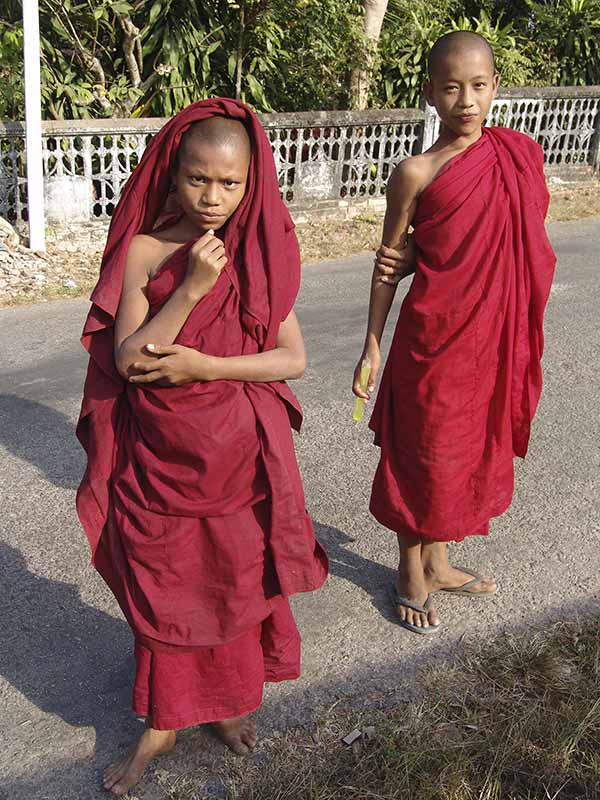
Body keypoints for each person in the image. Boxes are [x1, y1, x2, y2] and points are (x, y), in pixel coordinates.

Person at [76, 98, 328, 796]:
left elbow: (292, 358)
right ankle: (162, 723)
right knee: (166, 586)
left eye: (229, 183)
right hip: (160, 460)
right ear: (173, 175)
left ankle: (222, 704)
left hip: (234, 459)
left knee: (230, 582)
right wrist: (190, 289)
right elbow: (129, 360)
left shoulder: (257, 255)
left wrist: (206, 367)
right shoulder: (147, 250)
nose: (212, 197)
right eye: (197, 179)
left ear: (251, 183)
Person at [353, 31, 556, 635]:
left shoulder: (517, 156)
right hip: (432, 339)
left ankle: (438, 561)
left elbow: (524, 243)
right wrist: (371, 343)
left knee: (464, 451)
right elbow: (388, 263)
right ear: (429, 94)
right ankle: (407, 569)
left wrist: (428, 253)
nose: (465, 100)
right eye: (450, 88)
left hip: (489, 339)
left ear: (496, 87)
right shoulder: (415, 172)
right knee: (423, 451)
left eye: (477, 86)